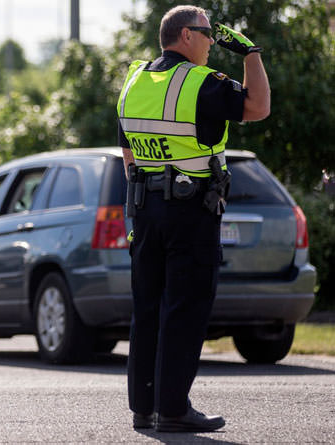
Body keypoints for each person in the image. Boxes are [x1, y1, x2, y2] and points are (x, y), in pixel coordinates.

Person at [116, 5, 270, 433]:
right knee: (184, 308)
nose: (211, 42)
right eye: (207, 34)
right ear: (185, 35)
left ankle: (143, 407)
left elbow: (127, 147)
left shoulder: (135, 81)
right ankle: (174, 409)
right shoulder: (202, 83)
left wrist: (145, 188)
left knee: (147, 306)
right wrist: (251, 53)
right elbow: (258, 107)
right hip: (191, 211)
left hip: (145, 208)